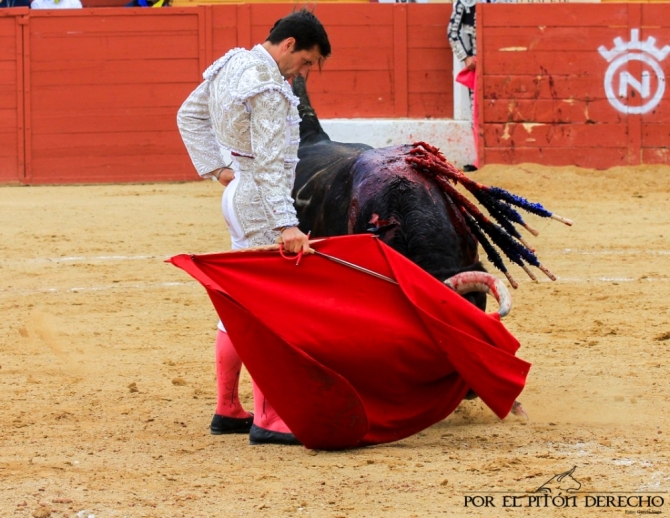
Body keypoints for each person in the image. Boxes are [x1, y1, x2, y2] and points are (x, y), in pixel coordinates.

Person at [176, 9, 331, 446]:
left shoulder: (232, 64)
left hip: (239, 194)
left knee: (242, 305)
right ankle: (269, 417)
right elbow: (267, 164)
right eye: (305, 62)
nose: (303, 74)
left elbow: (188, 115)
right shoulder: (266, 83)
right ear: (289, 44)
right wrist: (286, 223)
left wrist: (220, 171)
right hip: (260, 201)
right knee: (269, 307)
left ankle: (228, 408)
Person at [448, 0, 483, 172]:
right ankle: (480, 159)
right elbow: (452, 32)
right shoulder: (466, 2)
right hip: (478, 64)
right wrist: (466, 57)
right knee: (476, 111)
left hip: (502, 62)